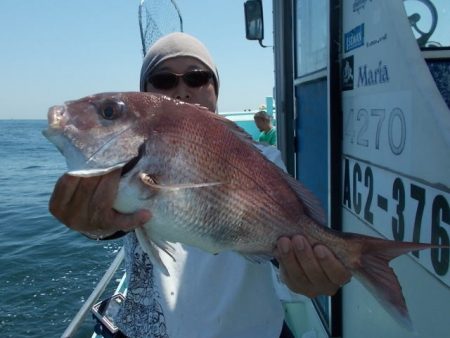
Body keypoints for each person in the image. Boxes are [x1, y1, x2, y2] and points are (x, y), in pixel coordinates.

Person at [49, 32, 351, 338]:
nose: (182, 90)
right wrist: (91, 225)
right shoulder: (120, 170)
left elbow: (275, 246)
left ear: (215, 88)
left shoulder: (266, 159)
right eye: (164, 80)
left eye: (197, 78)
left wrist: (300, 271)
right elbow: (113, 223)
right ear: (148, 94)